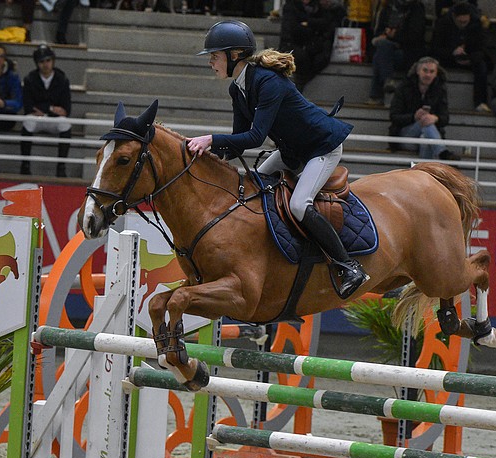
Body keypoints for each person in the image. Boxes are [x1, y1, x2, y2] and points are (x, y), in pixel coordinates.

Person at [187, 20, 367, 298]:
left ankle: (349, 266)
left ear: (234, 56)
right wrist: (200, 156)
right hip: (292, 150)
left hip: (321, 148)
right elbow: (237, 141)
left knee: (298, 204)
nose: (210, 62)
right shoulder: (238, 88)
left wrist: (211, 138)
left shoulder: (268, 81)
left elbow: (256, 137)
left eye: (214, 56)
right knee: (253, 182)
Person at [388, 57, 461, 161]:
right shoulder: (404, 88)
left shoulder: (440, 90)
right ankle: (442, 152)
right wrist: (414, 117)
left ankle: (422, 174)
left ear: (436, 74)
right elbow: (394, 116)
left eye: (431, 71)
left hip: (428, 137)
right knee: (425, 122)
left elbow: (445, 118)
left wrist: (435, 118)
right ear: (418, 71)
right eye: (425, 71)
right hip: (405, 137)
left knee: (425, 136)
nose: (428, 75)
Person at [20, 44, 72, 177]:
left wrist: (44, 109)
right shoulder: (30, 79)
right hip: (37, 119)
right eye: (42, 61)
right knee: (28, 121)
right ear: (37, 63)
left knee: (65, 123)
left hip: (53, 120)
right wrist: (52, 108)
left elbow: (66, 109)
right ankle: (25, 164)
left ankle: (61, 166)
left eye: (48, 60)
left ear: (53, 61)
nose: (45, 64)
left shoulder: (62, 79)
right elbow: (28, 107)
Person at [429, 1, 489, 109]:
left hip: (470, 58)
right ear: (453, 17)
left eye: (465, 21)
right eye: (460, 22)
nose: (463, 24)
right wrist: (452, 52)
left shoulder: (477, 25)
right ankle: (432, 100)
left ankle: (480, 102)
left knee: (481, 67)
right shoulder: (442, 24)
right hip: (447, 57)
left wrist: (470, 58)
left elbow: (482, 49)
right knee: (432, 64)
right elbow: (435, 48)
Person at [367, 0, 426, 105]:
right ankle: (387, 81)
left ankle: (376, 94)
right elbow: (378, 31)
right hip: (387, 50)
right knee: (382, 48)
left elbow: (415, 36)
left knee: (380, 54)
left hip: (407, 52)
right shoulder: (387, 8)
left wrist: (394, 37)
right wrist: (382, 36)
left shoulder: (416, 9)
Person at [279, 0, 340, 91]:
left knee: (321, 57)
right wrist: (312, 27)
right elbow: (292, 29)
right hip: (292, 44)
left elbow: (325, 24)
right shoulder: (292, 7)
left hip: (311, 44)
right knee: (302, 58)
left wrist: (308, 23)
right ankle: (299, 85)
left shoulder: (318, 8)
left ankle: (300, 85)